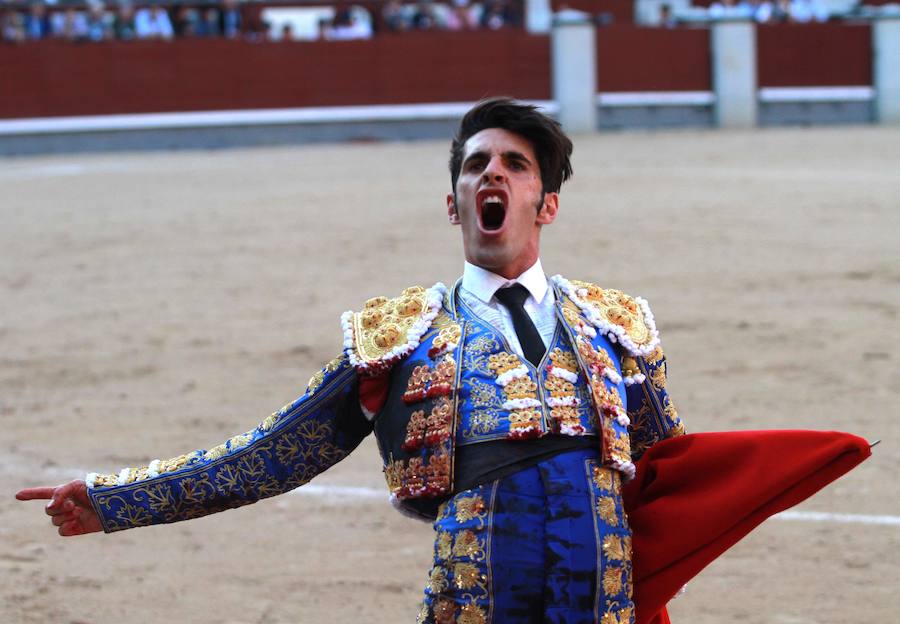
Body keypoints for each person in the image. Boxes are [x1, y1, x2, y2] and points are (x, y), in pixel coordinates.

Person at [14, 98, 869, 624]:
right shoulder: (401, 331)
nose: (490, 174)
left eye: (513, 164)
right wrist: (119, 500)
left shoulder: (615, 325)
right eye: (473, 165)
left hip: (599, 568)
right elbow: (277, 454)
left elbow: (669, 472)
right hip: (477, 570)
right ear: (453, 199)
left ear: (546, 201)